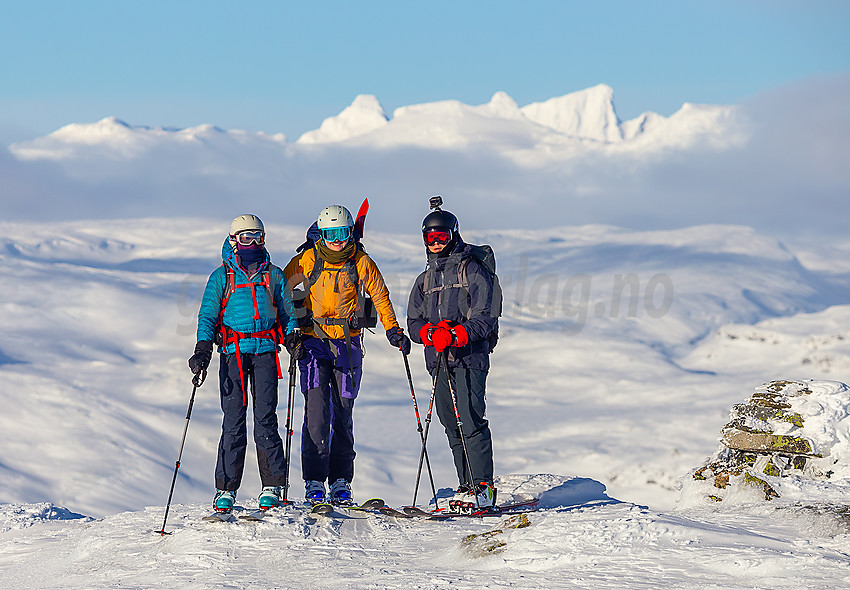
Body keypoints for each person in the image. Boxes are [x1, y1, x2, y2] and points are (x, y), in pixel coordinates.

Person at [284, 204, 411, 505]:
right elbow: (282, 290)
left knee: (343, 413)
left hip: (348, 346)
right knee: (316, 414)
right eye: (331, 233)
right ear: (322, 234)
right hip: (313, 343)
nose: (337, 240)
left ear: (350, 232)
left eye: (342, 233)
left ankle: (341, 481)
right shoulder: (308, 258)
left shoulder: (361, 260)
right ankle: (314, 481)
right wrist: (287, 330)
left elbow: (380, 294)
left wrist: (393, 329)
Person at [188, 214, 301, 513]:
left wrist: (292, 337)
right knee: (233, 422)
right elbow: (208, 315)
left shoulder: (273, 275)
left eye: (257, 237)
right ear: (233, 240)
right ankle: (226, 488)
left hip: (265, 351)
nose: (252, 243)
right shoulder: (221, 277)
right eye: (245, 237)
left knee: (266, 419)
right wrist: (202, 349)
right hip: (233, 353)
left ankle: (273, 485)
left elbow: (288, 312)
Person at [407, 199, 498, 512]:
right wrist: (431, 335)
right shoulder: (425, 279)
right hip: (439, 360)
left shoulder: (471, 270)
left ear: (454, 235)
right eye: (429, 238)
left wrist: (457, 334)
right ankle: (465, 486)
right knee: (450, 422)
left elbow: (486, 316)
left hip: (470, 358)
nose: (435, 243)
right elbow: (414, 320)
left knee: (470, 419)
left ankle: (483, 487)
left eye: (441, 236)